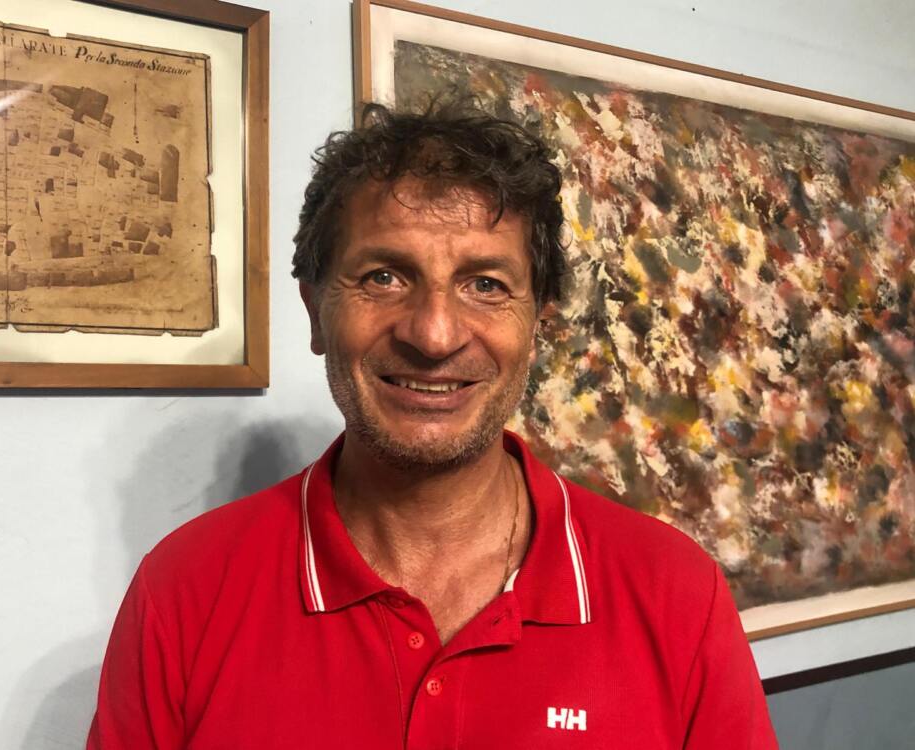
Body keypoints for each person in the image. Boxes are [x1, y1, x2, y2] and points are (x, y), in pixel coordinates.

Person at [87, 102, 778, 748]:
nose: (435, 334)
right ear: (315, 312)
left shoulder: (675, 594)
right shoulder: (185, 589)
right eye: (384, 277)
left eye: (486, 285)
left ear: (538, 325)